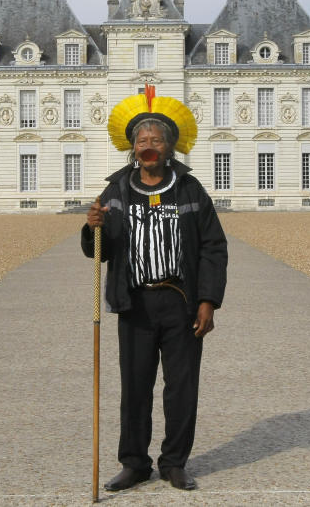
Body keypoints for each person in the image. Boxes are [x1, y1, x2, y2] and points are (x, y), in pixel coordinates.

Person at [82, 86, 227, 492]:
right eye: (142, 140)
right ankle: (134, 463)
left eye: (156, 140)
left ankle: (174, 462)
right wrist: (91, 226)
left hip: (180, 301)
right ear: (132, 147)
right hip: (135, 303)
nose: (149, 146)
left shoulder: (190, 190)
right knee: (135, 387)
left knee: (181, 387)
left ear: (170, 147)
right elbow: (100, 249)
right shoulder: (116, 191)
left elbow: (214, 247)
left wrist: (208, 301)